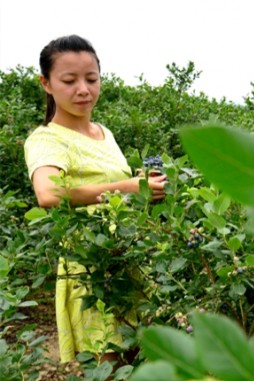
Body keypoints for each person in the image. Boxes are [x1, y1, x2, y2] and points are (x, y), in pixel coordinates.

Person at [23, 34, 167, 364]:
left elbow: (117, 192)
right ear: (46, 83)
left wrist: (148, 192)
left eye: (91, 79)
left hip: (130, 255)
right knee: (109, 359)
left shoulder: (105, 133)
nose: (83, 90)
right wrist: (128, 186)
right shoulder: (46, 139)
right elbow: (48, 194)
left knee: (144, 355)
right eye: (69, 80)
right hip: (91, 266)